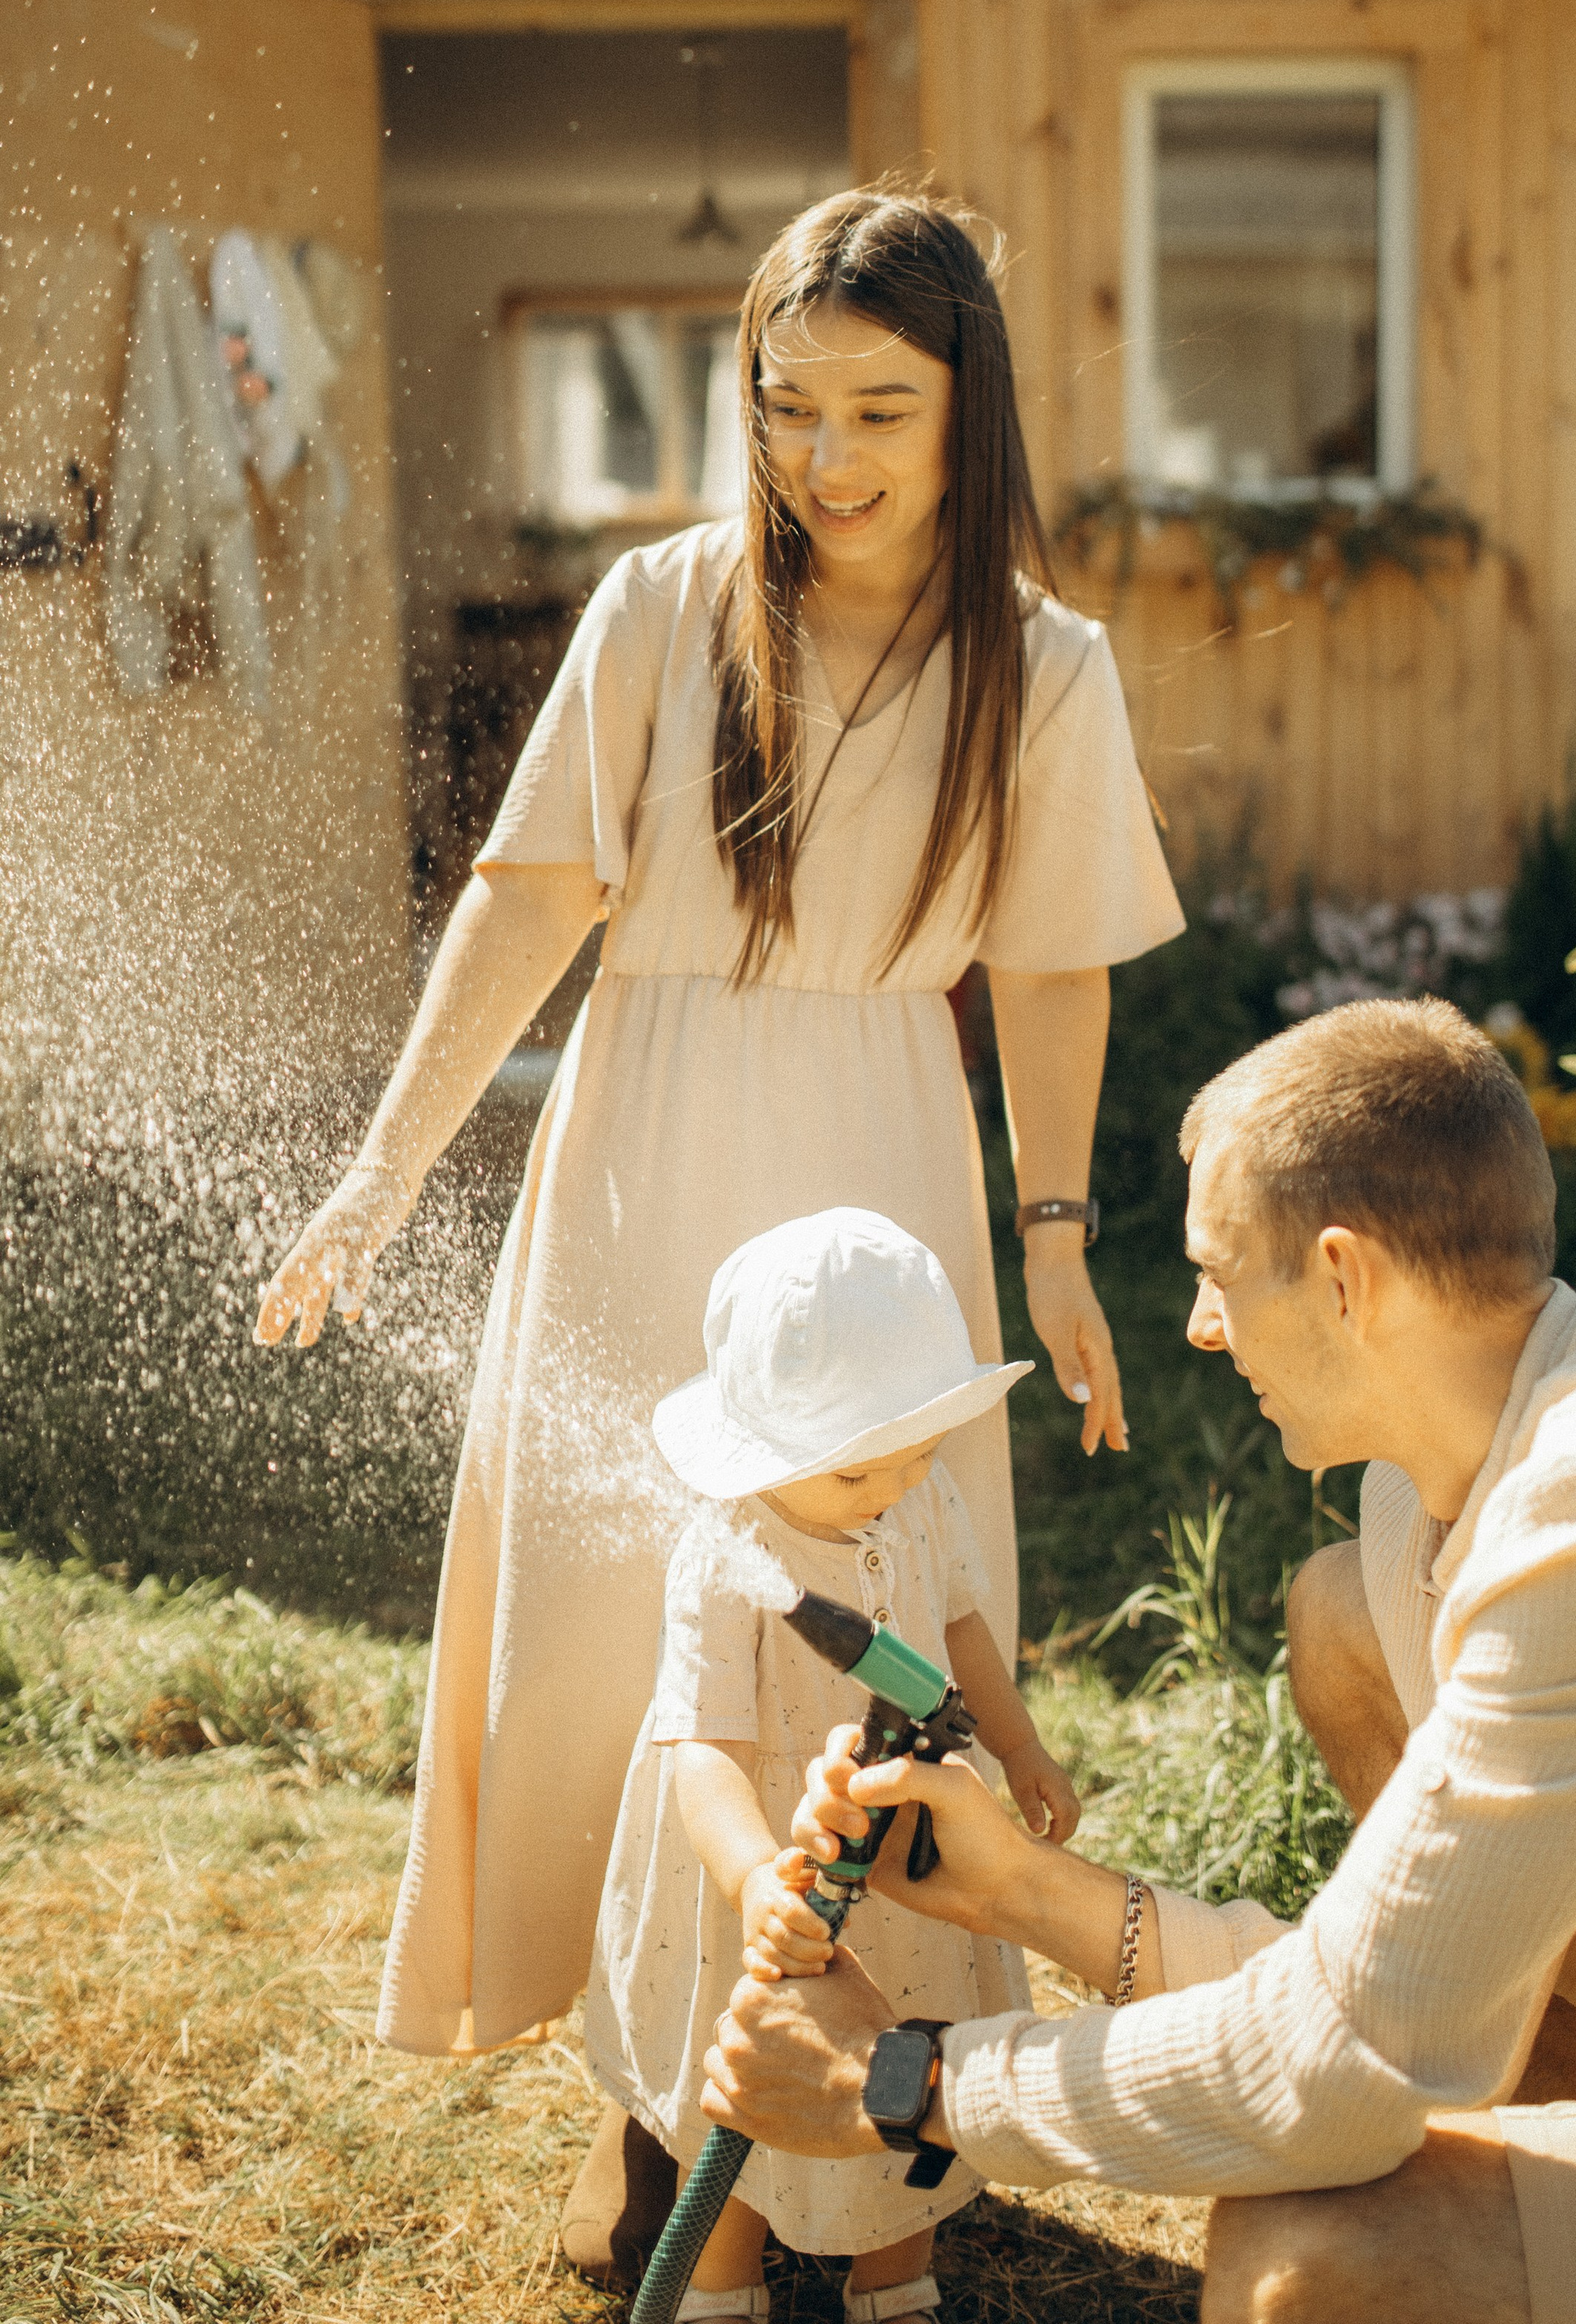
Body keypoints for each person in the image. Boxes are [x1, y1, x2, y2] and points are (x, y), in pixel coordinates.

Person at [249, 192, 1183, 2266]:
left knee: (862, 1646)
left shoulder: (1047, 669)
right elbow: (530, 895)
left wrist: (1049, 1237)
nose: (826, 460)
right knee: (625, 1646)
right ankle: (644, 2093)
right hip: (642, 1153)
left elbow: (1050, 967)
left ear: (970, 412)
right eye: (785, 409)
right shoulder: (668, 609)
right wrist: (386, 1175)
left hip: (882, 1164)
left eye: (880, 410)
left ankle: (871, 2116)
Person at [701, 998, 1576, 2323]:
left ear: (1345, 1278)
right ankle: (1564, 2173)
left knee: (1315, 2268)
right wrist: (1025, 1892)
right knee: (1342, 1612)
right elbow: (1373, 1982)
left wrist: (908, 2084)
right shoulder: (1470, 1465)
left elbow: (1338, 2057)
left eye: (1217, 1273)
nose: (1201, 1328)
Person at [585, 1204, 1078, 2319]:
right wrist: (757, 1877)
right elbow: (704, 1748)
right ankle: (717, 2285)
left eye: (921, 1455)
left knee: (899, 2069)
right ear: (771, 1453)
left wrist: (1020, 1744)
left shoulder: (918, 1493)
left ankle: (892, 2280)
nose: (899, 1487)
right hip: (761, 1873)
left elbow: (958, 1633)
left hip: (905, 1870)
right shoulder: (731, 1552)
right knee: (754, 2084)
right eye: (865, 1474)